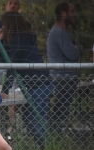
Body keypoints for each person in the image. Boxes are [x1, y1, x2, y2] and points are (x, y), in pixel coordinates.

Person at [0, 12, 52, 150]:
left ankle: (47, 148)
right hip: (40, 83)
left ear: (10, 25)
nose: (2, 27)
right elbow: (6, 59)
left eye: (4, 24)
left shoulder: (19, 40)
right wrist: (2, 41)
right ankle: (46, 148)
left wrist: (5, 90)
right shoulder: (24, 39)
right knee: (33, 118)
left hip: (38, 84)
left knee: (33, 119)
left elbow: (12, 66)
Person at [47, 2, 83, 132]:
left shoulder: (63, 32)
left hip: (67, 79)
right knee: (60, 112)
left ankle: (55, 135)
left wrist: (77, 48)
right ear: (63, 14)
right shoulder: (58, 33)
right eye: (72, 11)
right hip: (63, 79)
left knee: (62, 112)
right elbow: (73, 54)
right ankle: (53, 136)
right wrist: (77, 49)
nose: (74, 15)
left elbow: (78, 49)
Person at [0, 0, 21, 137]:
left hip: (15, 65)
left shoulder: (21, 24)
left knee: (13, 100)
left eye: (16, 3)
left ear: (19, 6)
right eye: (10, 3)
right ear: (6, 6)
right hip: (0, 65)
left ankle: (10, 132)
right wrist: (0, 40)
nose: (13, 5)